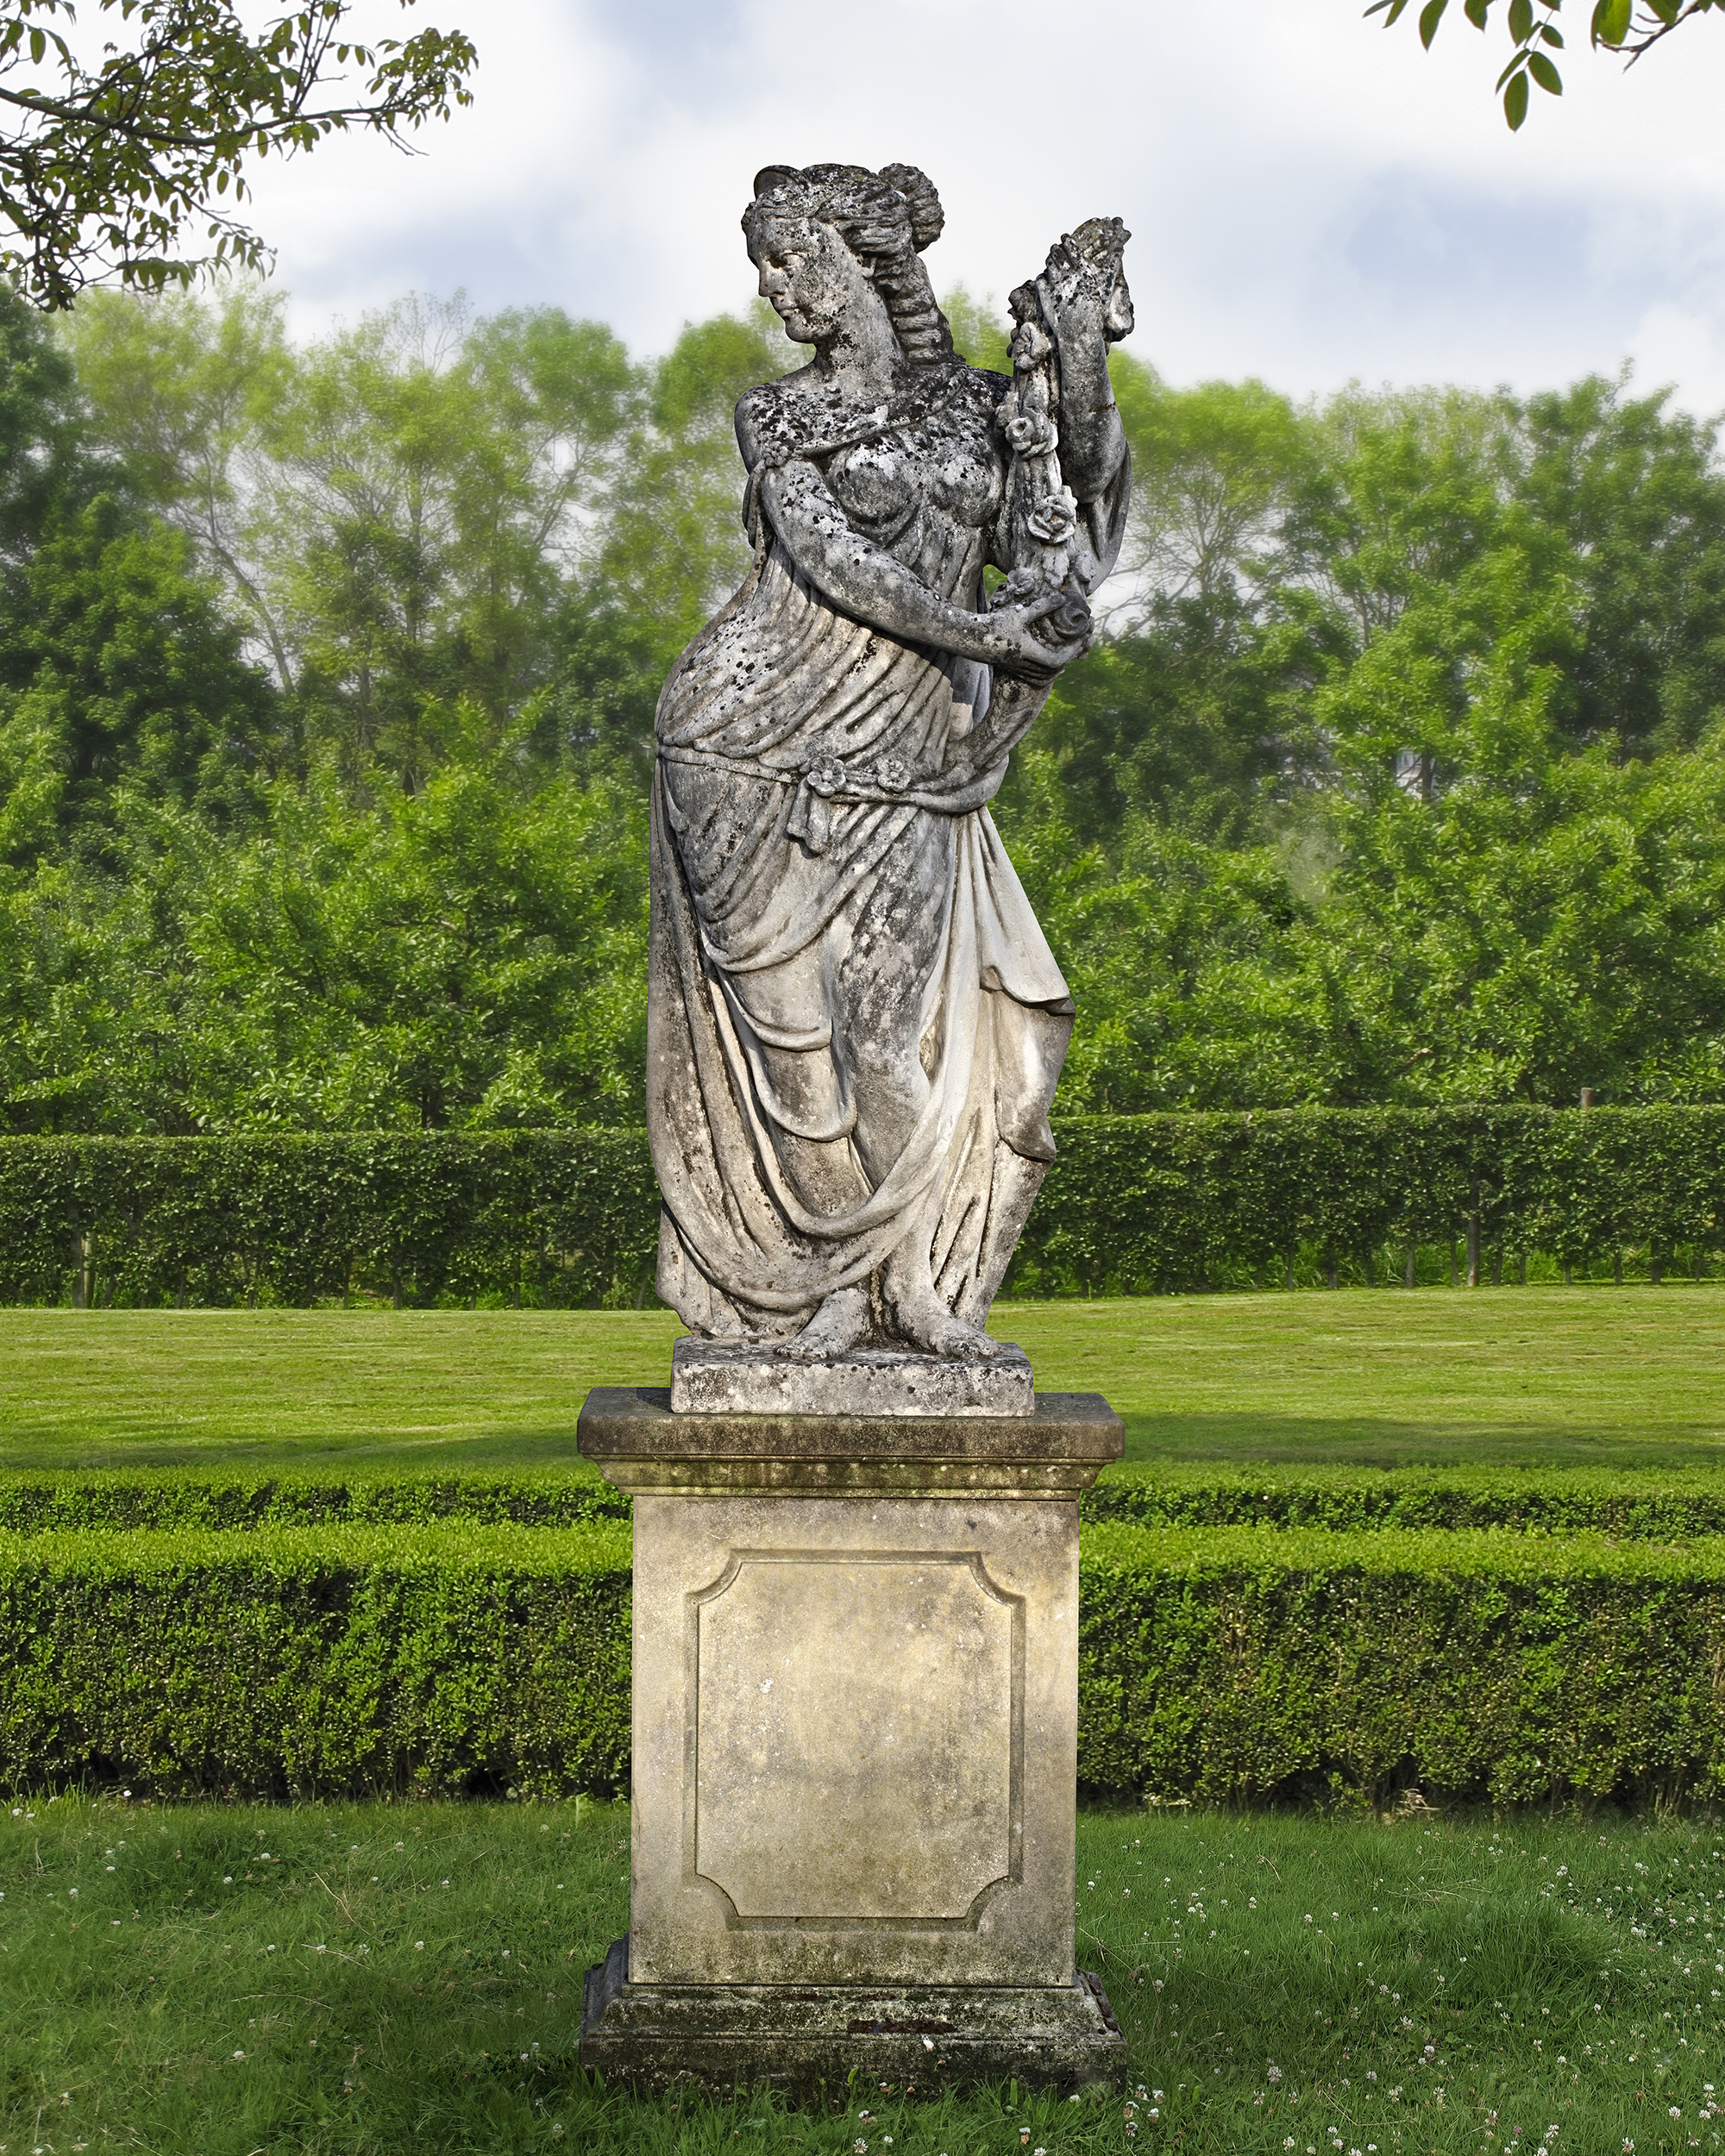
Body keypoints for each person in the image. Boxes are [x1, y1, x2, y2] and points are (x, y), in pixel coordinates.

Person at [647, 161, 1131, 1361]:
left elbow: (1072, 494)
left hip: (906, 761)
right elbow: (832, 566)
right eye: (761, 265)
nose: (774, 287)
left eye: (791, 257)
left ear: (867, 261)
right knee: (794, 1040)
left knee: (898, 1037)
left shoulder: (974, 408)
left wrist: (1076, 355)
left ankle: (912, 1289)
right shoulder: (777, 415)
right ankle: (823, 1287)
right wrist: (984, 633)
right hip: (744, 742)